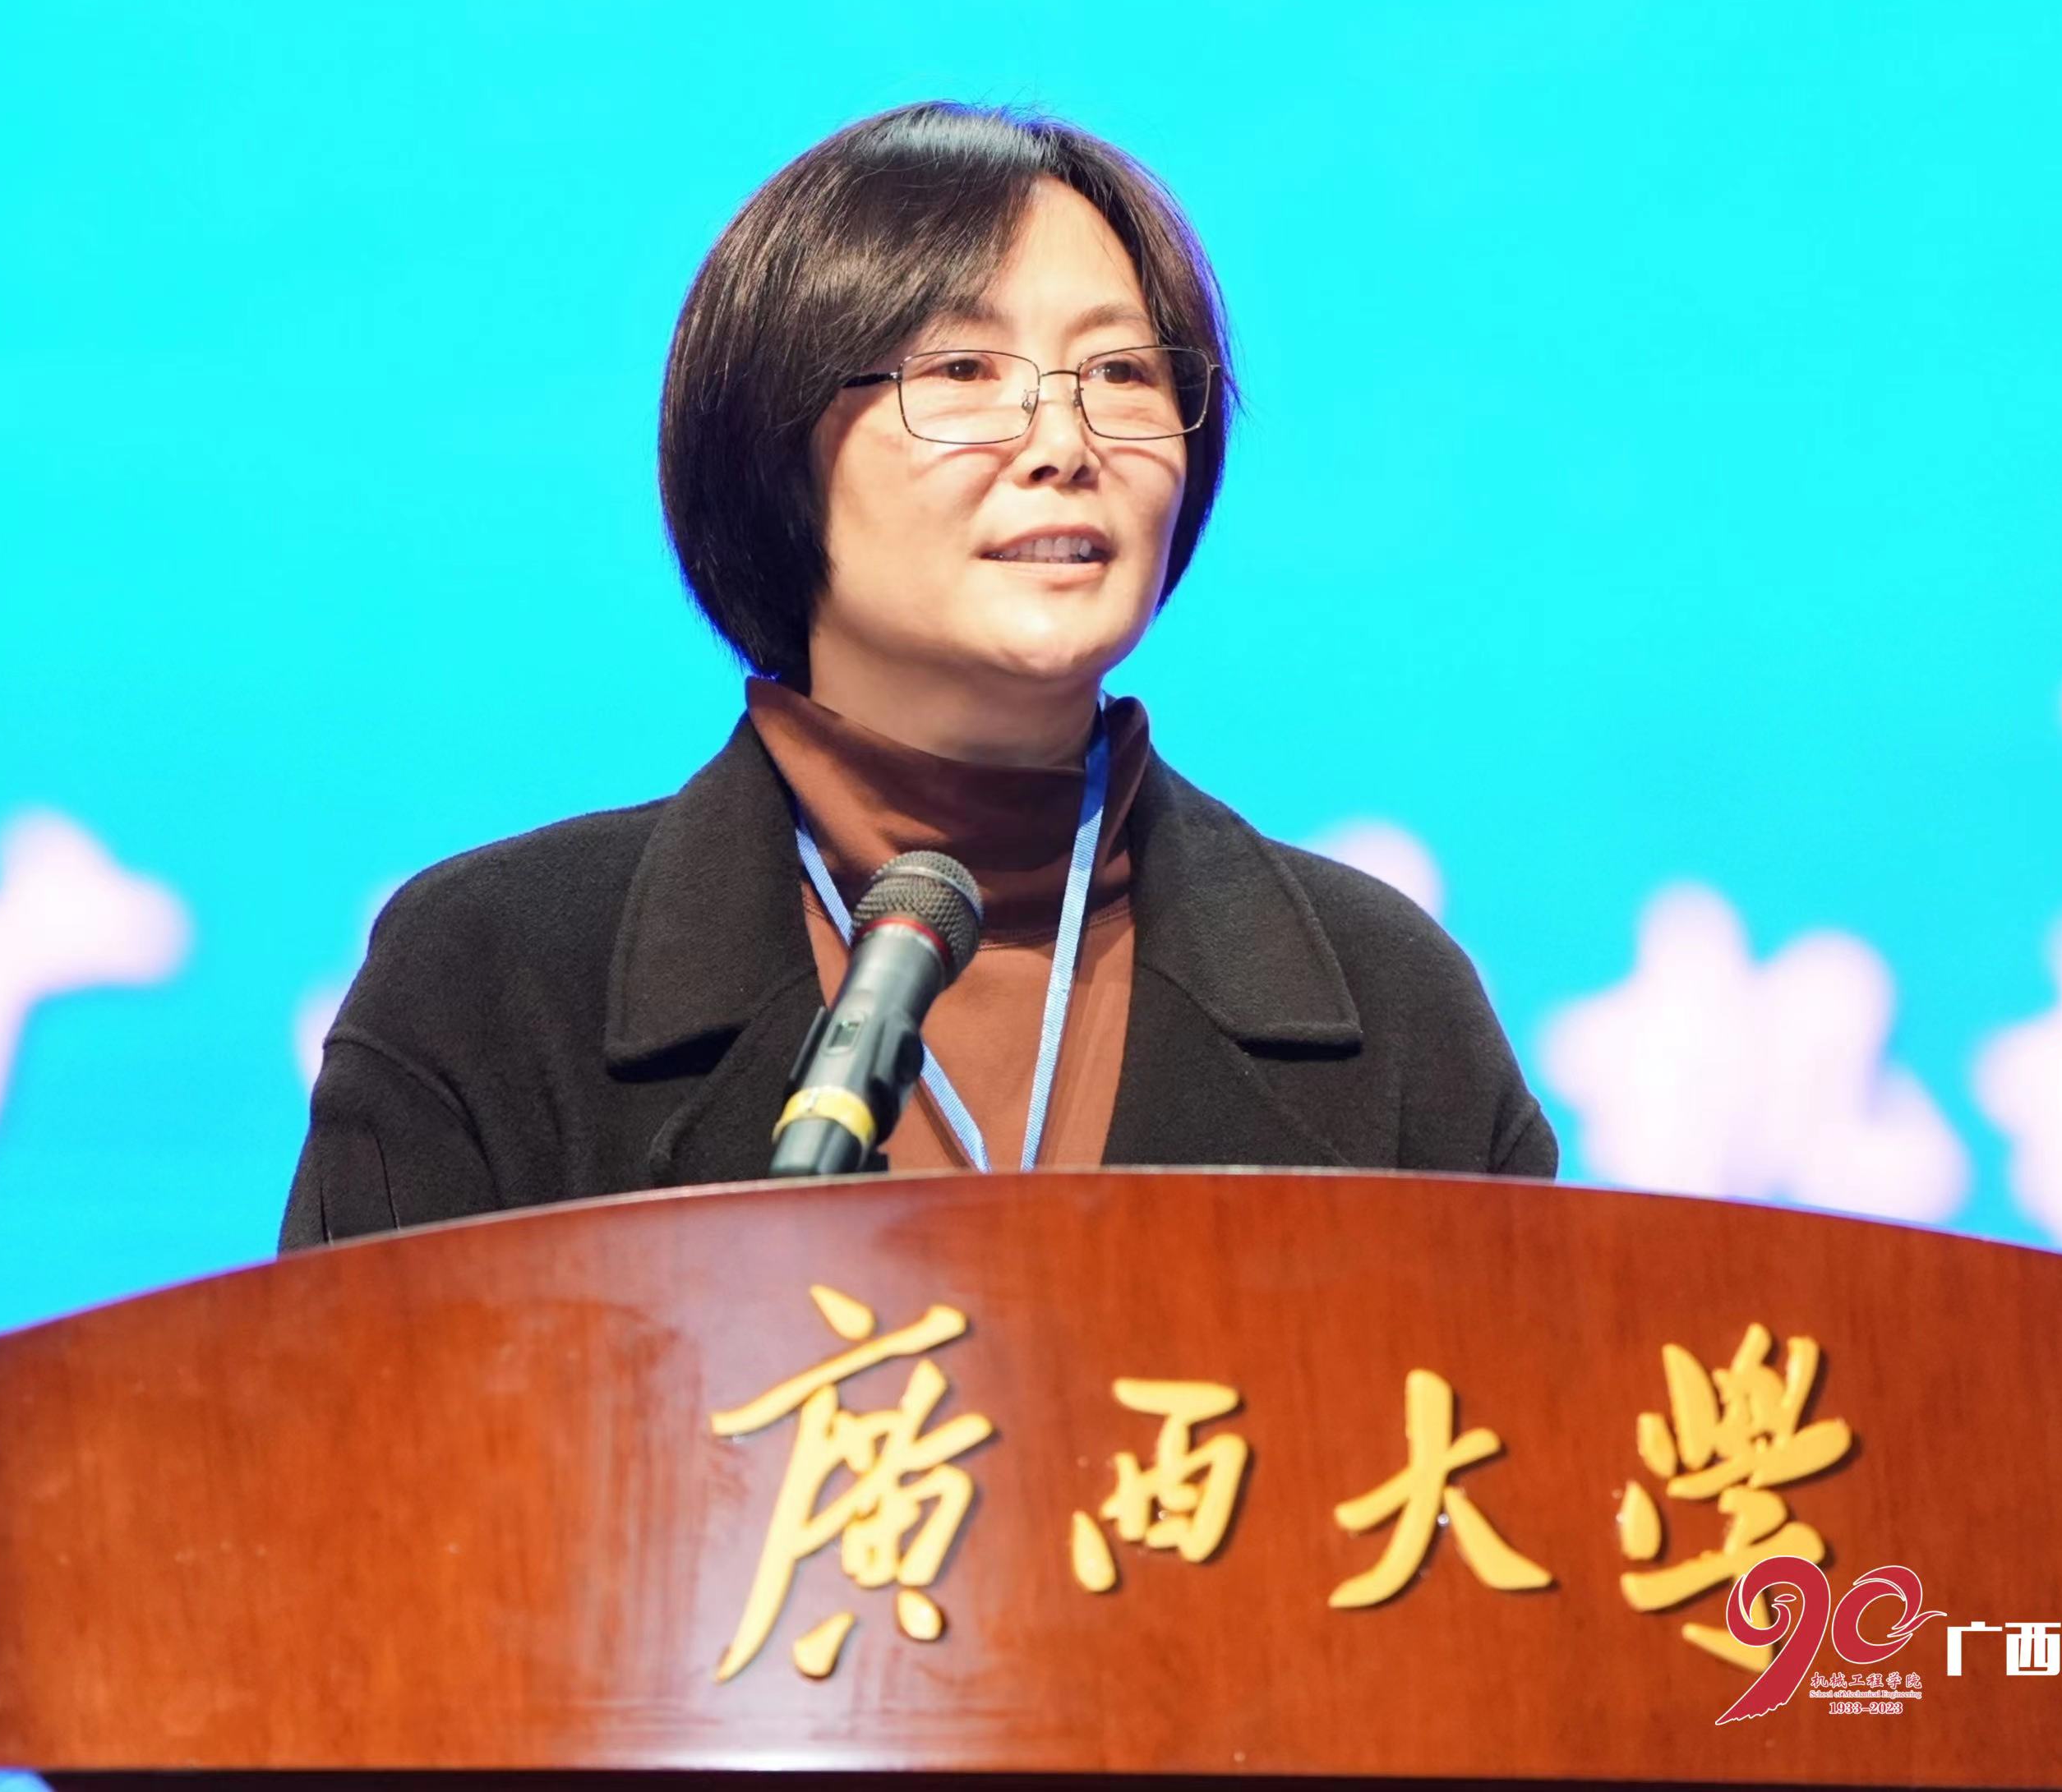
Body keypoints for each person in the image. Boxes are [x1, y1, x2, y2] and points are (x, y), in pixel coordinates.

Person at [278, 102, 1557, 1250]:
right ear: (775, 443)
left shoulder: (1391, 999)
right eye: (962, 373)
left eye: (1121, 374)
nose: (1063, 444)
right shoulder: (498, 978)